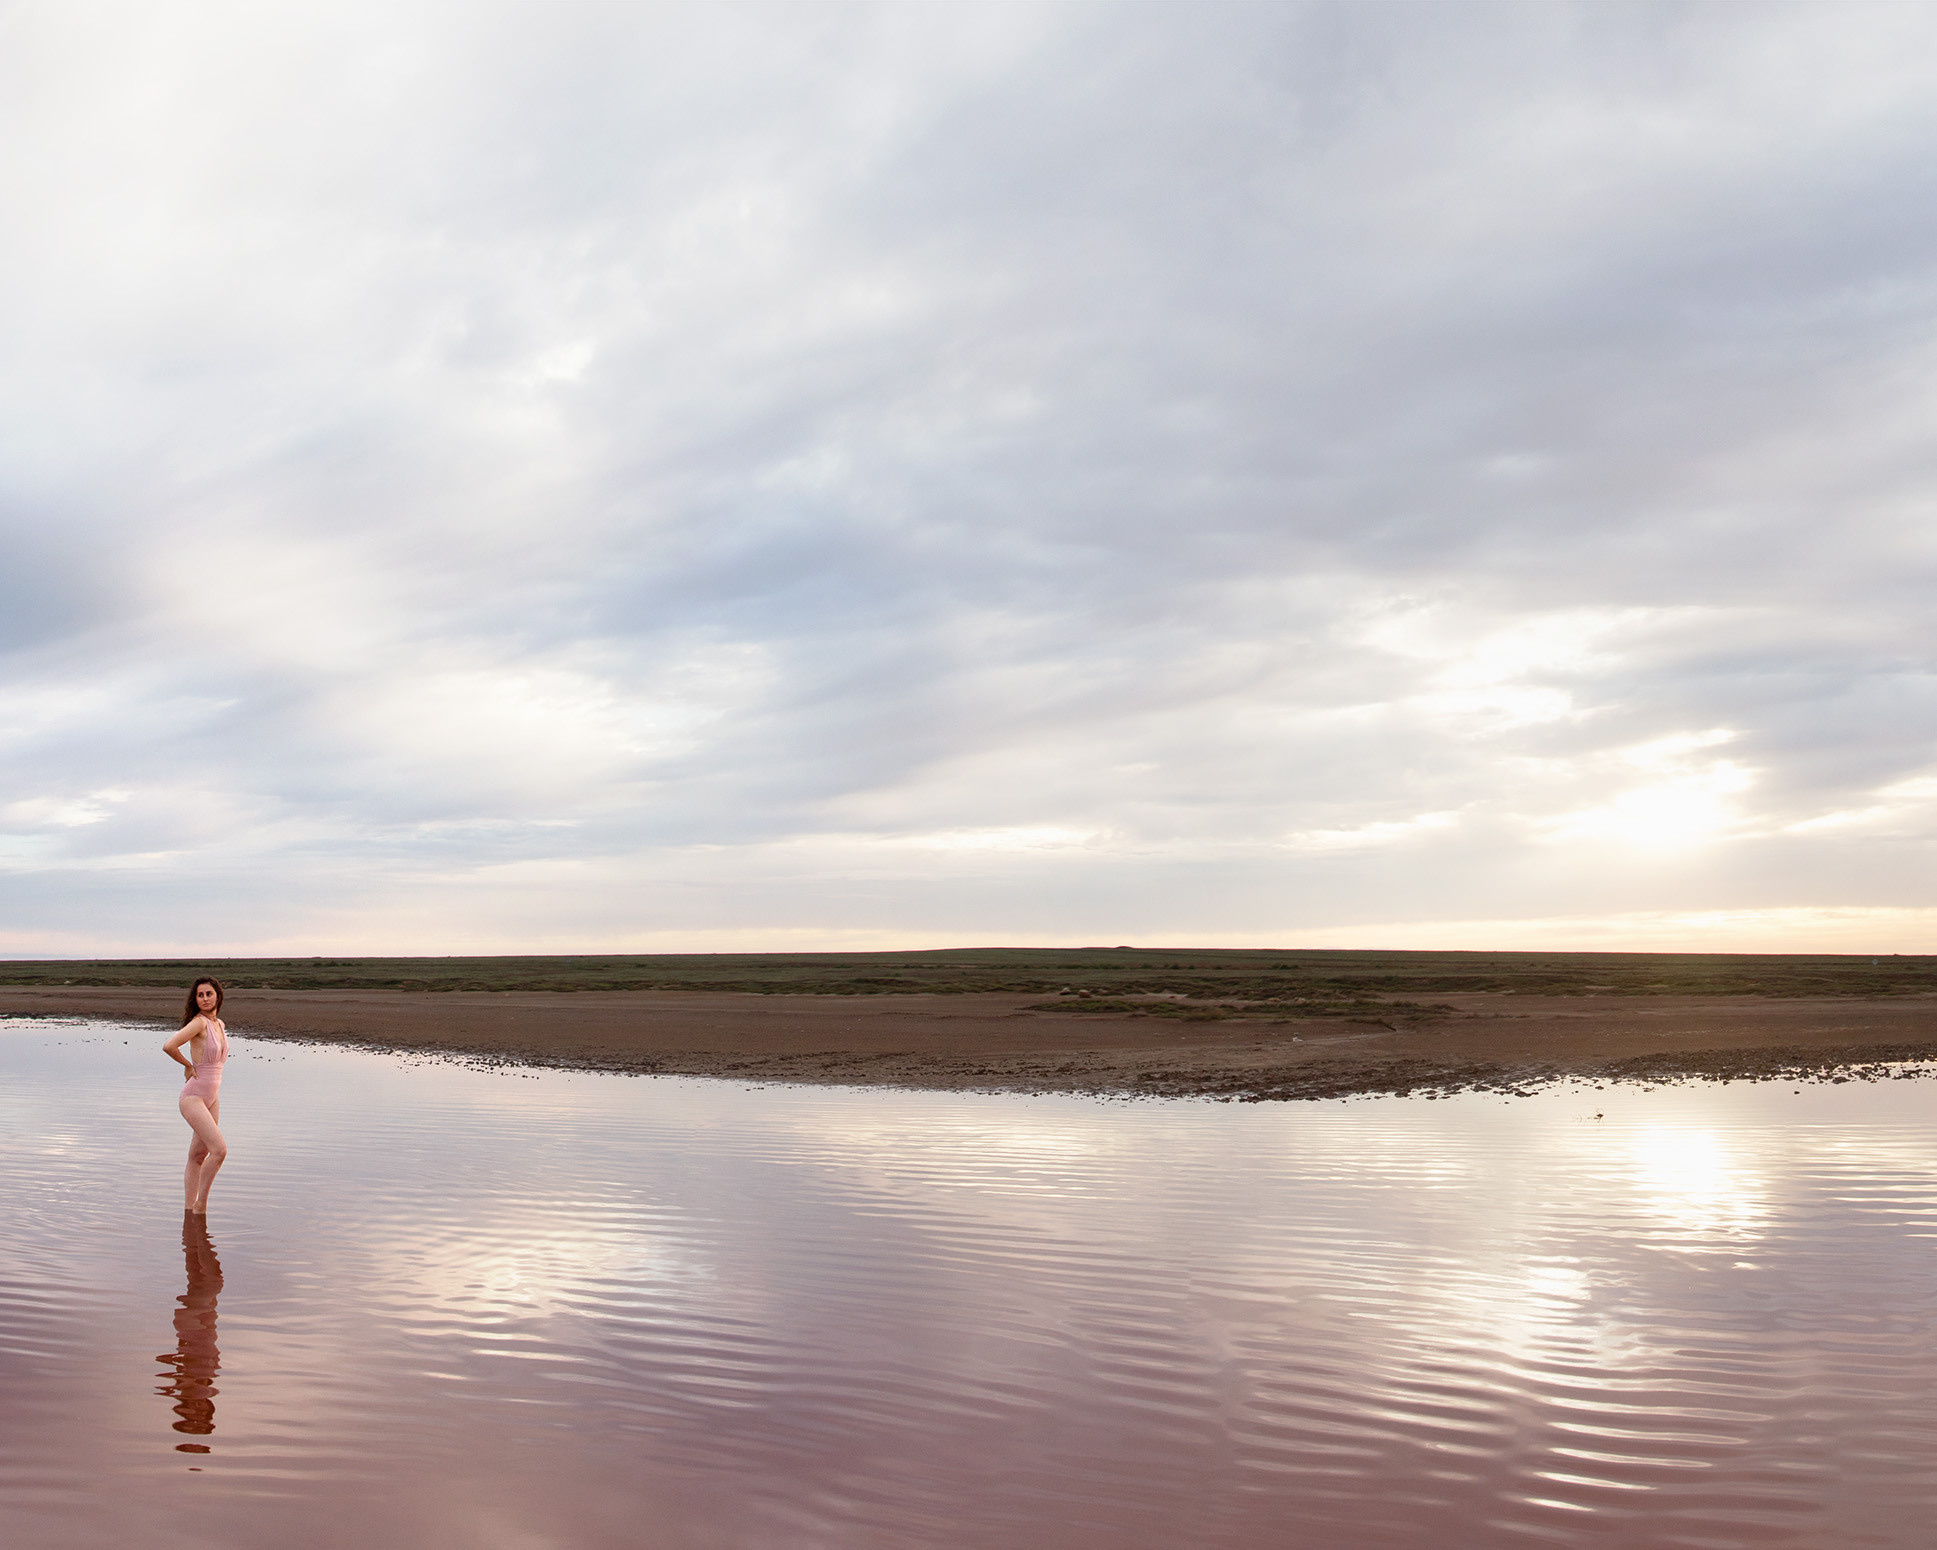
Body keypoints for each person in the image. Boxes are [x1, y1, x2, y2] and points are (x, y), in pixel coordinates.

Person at [163, 978, 229, 1214]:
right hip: (193, 1097)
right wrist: (188, 1065)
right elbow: (170, 1045)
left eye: (209, 994)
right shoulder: (198, 1023)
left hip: (212, 1097)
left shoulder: (219, 1024)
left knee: (197, 1156)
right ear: (195, 999)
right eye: (200, 995)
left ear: (217, 996)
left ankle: (189, 1211)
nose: (205, 999)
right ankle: (200, 1206)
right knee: (219, 1150)